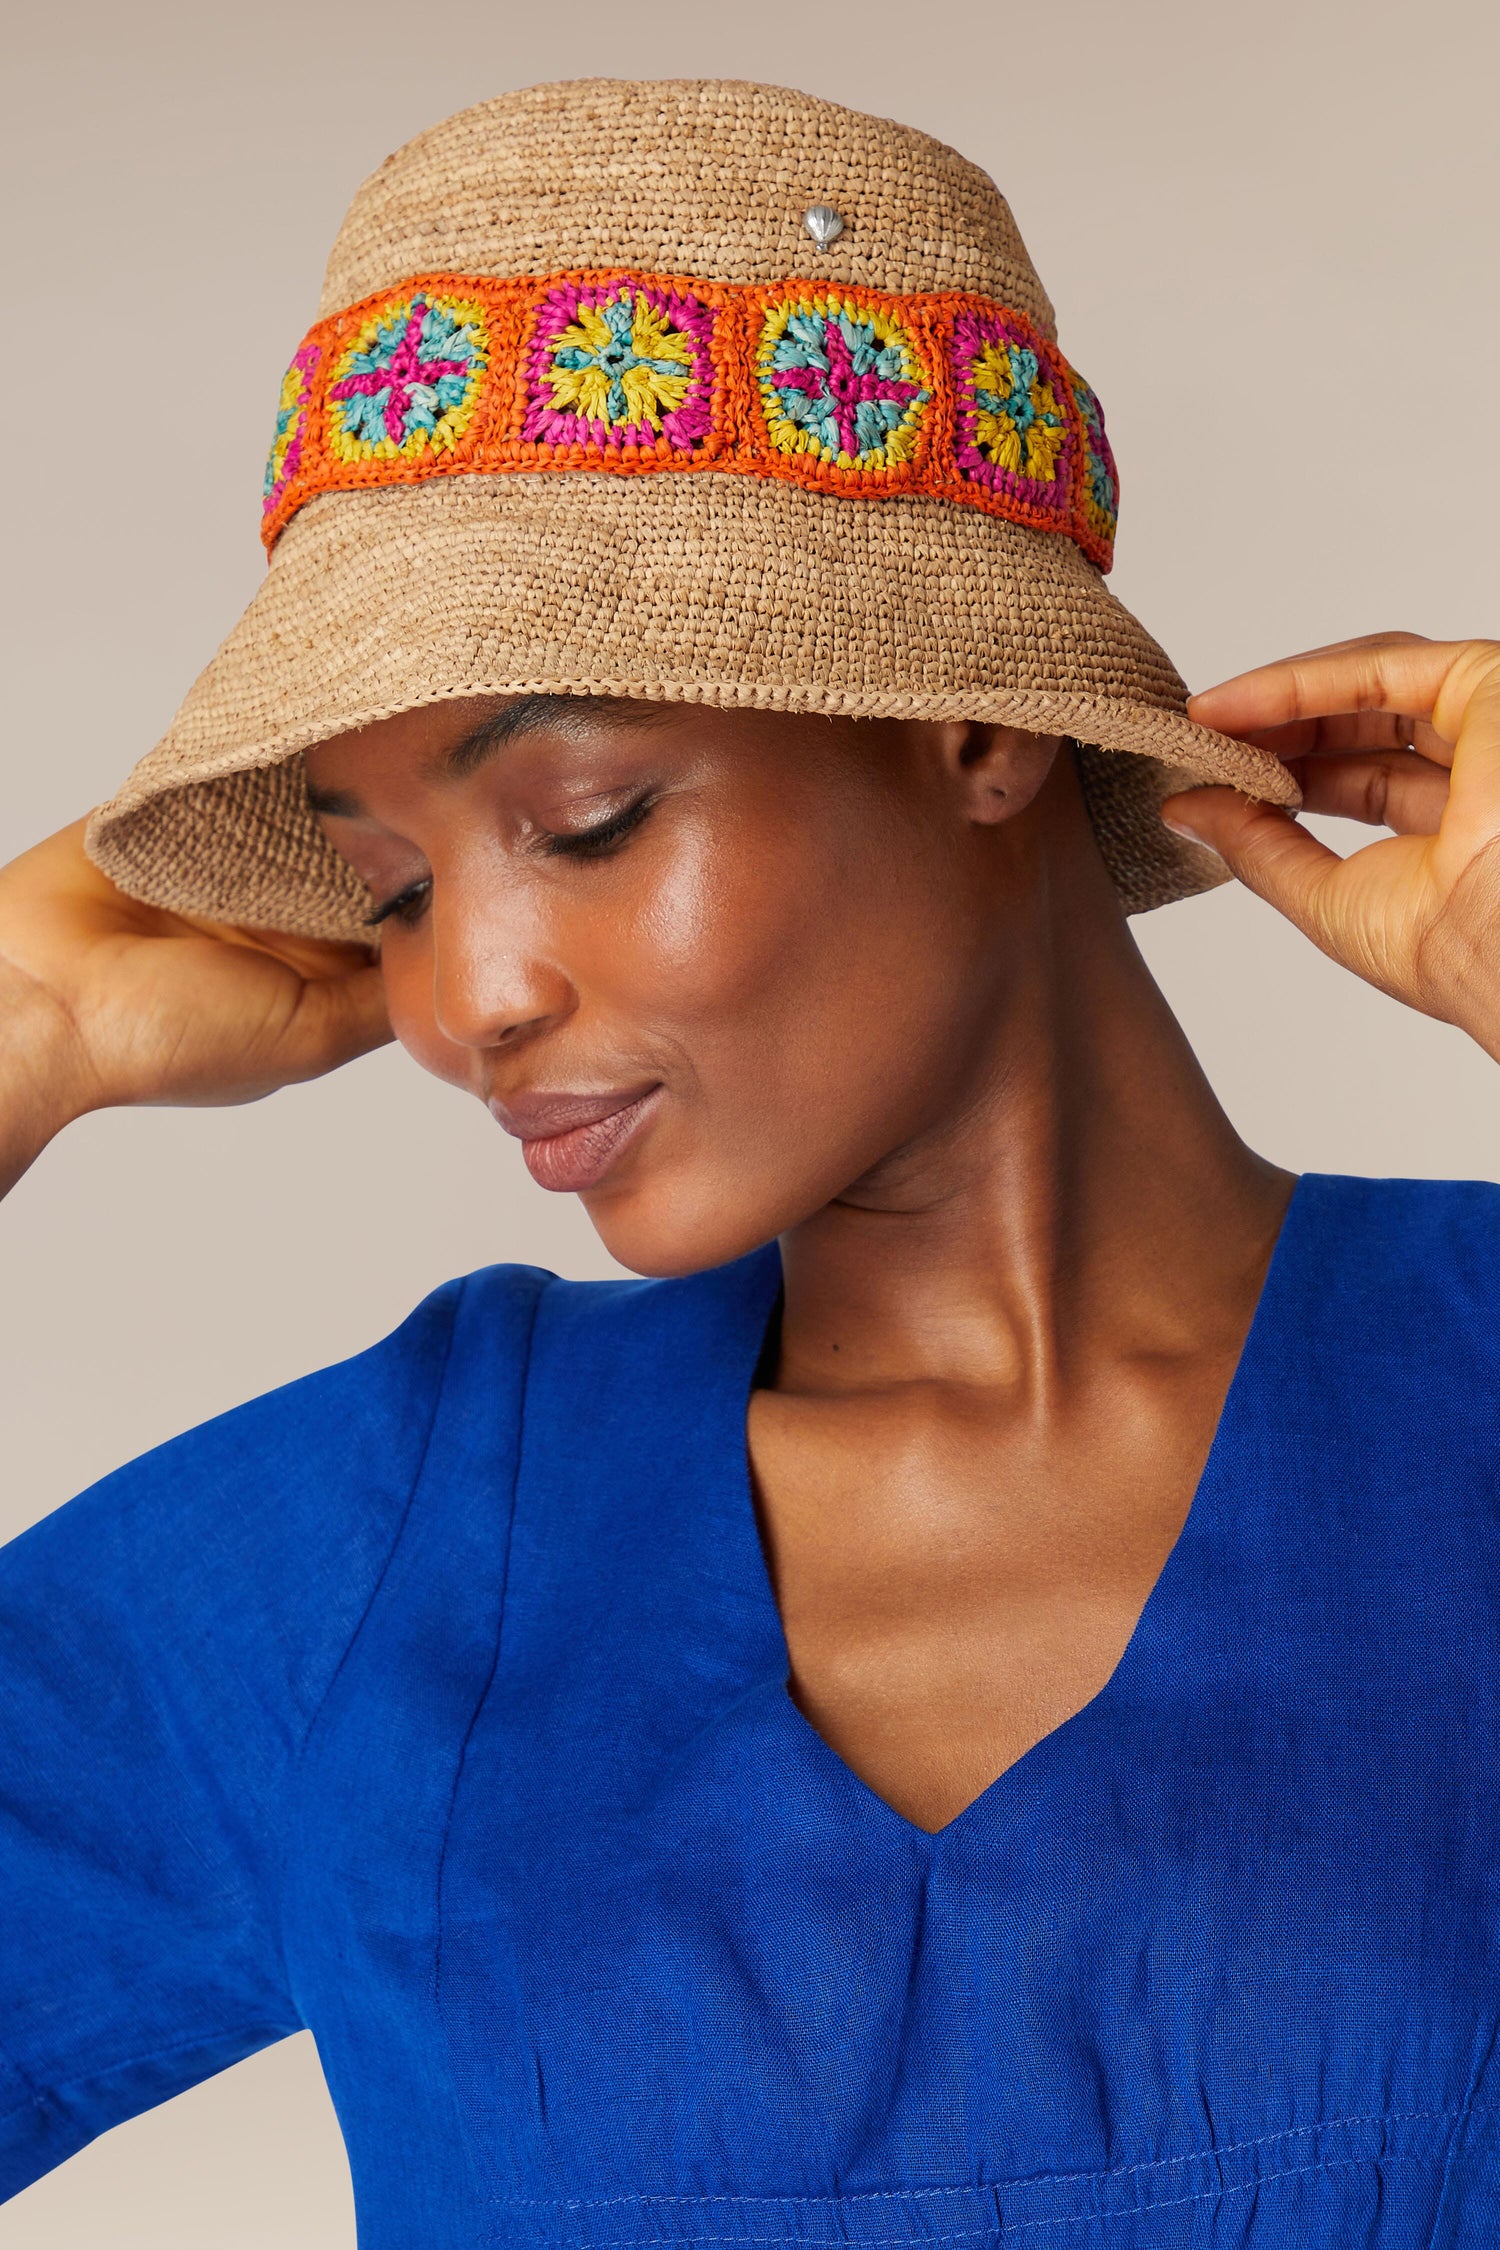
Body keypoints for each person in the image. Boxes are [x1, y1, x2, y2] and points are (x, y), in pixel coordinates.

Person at [2, 75, 1498, 2247]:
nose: (461, 1002)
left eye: (587, 819)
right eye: (390, 889)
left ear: (975, 726)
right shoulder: (401, 1545)